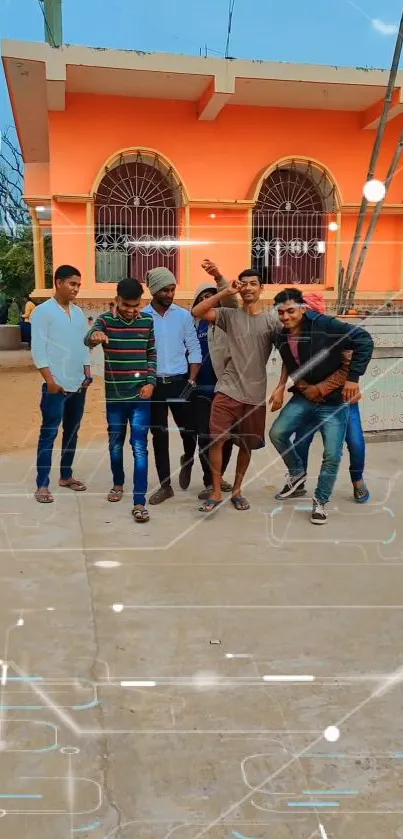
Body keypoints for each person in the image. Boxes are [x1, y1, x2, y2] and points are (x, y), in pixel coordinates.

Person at [268, 288, 373, 525]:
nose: (285, 317)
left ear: (303, 309)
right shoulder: (282, 335)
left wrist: (353, 380)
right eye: (281, 312)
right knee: (278, 433)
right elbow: (289, 361)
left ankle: (321, 501)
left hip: (335, 402)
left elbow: (364, 340)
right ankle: (297, 473)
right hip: (305, 397)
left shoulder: (325, 325)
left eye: (291, 311)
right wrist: (281, 386)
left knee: (333, 453)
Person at [192, 269, 276, 513]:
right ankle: (216, 491)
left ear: (261, 289)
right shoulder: (229, 316)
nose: (248, 288)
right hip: (227, 388)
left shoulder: (271, 321)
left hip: (255, 393)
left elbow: (290, 350)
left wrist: (281, 387)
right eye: (244, 284)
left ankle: (237, 490)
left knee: (246, 446)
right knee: (217, 440)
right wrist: (226, 291)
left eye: (254, 283)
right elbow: (197, 312)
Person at [85, 278, 156, 523]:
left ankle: (139, 501)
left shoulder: (147, 321)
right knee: (116, 444)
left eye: (136, 305)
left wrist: (150, 382)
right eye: (126, 304)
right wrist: (95, 336)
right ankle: (118, 483)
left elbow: (151, 352)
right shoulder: (105, 320)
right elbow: (89, 338)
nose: (131, 310)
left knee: (139, 447)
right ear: (117, 300)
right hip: (114, 398)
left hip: (140, 397)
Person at [293, 292, 370, 504]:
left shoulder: (335, 333)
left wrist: (321, 388)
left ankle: (357, 480)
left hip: (341, 400)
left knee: (355, 442)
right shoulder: (298, 337)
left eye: (308, 313)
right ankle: (298, 481)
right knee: (300, 440)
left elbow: (348, 367)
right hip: (311, 400)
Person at [31, 265, 92, 503]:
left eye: (78, 284)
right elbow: (38, 349)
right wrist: (50, 381)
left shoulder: (77, 313)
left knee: (72, 432)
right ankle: (42, 484)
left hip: (78, 384)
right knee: (49, 433)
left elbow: (83, 345)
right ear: (58, 282)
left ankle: (66, 475)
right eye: (72, 284)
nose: (76, 288)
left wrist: (87, 372)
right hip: (55, 386)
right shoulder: (43, 312)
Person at [143, 267, 202, 505]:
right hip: (154, 385)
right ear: (154, 290)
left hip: (180, 382)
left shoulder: (183, 316)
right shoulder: (143, 316)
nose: (169, 294)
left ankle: (188, 457)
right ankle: (165, 486)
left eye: (172, 289)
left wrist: (192, 379)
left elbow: (194, 349)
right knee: (159, 435)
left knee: (190, 430)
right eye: (164, 290)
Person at [192, 259, 237, 500]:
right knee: (204, 437)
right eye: (202, 297)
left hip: (224, 389)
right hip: (199, 390)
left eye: (212, 296)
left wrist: (219, 277)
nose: (206, 301)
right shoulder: (192, 324)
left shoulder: (228, 321)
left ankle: (219, 477)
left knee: (225, 438)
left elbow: (231, 301)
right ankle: (209, 481)